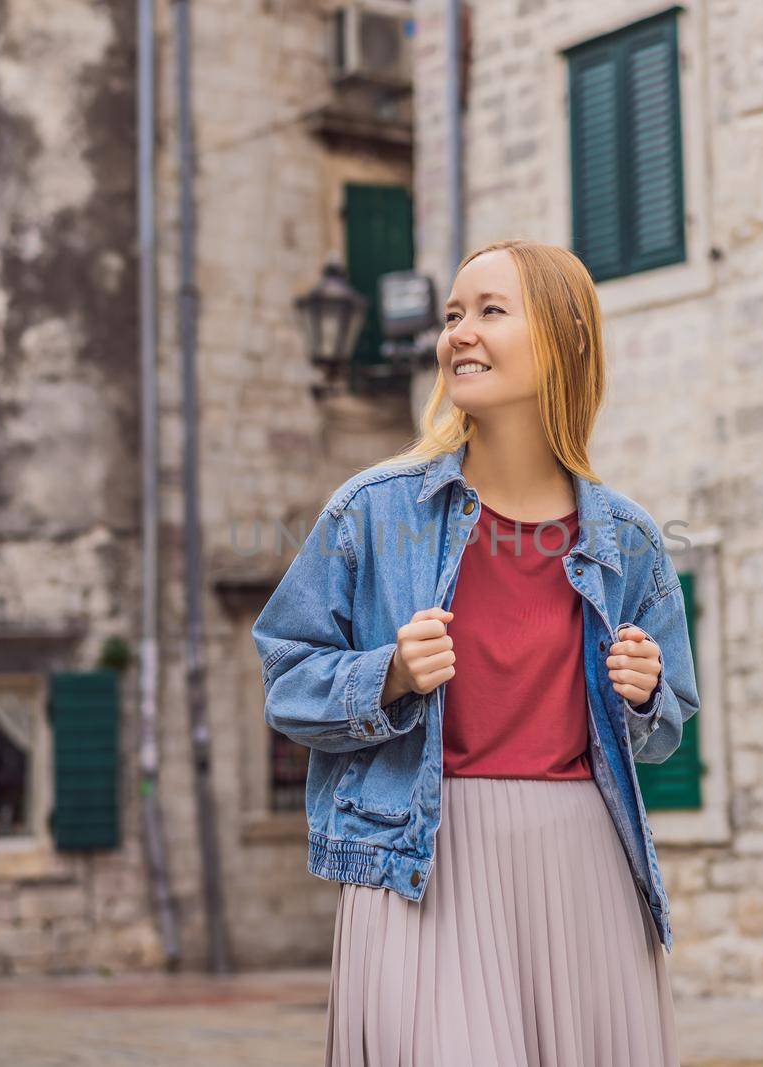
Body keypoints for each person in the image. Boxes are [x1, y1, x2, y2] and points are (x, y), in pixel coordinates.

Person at [251, 238, 700, 1066]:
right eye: (453, 315)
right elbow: (285, 675)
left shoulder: (629, 538)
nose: (459, 332)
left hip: (582, 868)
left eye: (491, 311)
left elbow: (666, 726)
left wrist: (645, 692)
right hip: (421, 862)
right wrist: (385, 672)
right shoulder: (370, 512)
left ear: (565, 340)